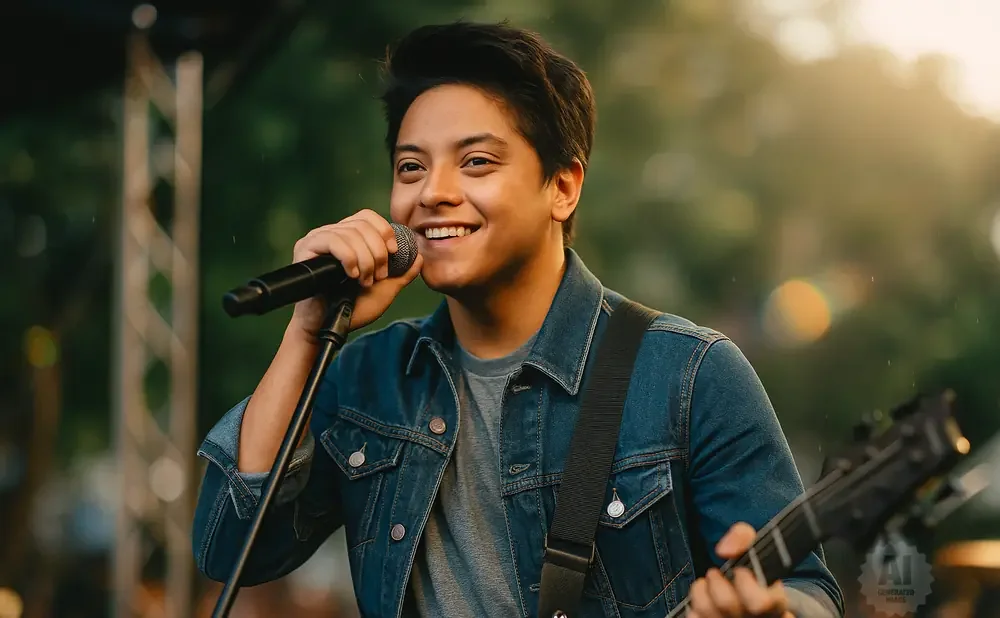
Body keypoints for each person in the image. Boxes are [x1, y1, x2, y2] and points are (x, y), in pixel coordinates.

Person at [192, 21, 845, 618]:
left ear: (563, 185)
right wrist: (308, 329)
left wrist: (773, 611)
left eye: (476, 161)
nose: (434, 192)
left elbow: (809, 591)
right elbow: (230, 545)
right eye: (411, 167)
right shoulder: (370, 377)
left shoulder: (687, 373)